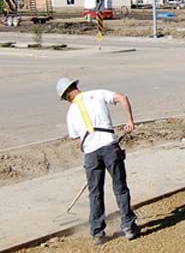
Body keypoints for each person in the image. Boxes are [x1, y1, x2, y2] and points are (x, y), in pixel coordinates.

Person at [56, 77, 140, 245]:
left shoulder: (71, 113)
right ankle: (129, 226)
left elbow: (78, 142)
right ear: (75, 87)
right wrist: (130, 121)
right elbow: (123, 98)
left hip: (91, 154)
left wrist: (91, 150)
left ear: (67, 96)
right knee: (120, 188)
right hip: (110, 148)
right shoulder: (98, 93)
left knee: (95, 193)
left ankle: (97, 232)